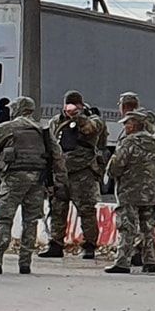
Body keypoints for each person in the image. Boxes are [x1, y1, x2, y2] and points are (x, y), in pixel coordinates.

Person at [0, 97, 60, 275]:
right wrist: (57, 181)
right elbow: (56, 154)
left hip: (13, 178)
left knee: (4, 219)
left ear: (17, 109)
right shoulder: (42, 129)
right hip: (37, 180)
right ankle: (25, 262)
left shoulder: (9, 127)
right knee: (31, 221)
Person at [45, 92, 107, 259]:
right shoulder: (56, 122)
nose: (71, 108)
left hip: (82, 172)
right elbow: (51, 145)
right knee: (57, 209)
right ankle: (56, 243)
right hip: (61, 173)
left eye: (75, 105)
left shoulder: (92, 119)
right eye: (69, 105)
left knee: (86, 211)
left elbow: (92, 130)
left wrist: (78, 117)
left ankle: (89, 245)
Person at [107, 110, 155, 275]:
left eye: (127, 123)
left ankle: (123, 261)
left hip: (129, 190)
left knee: (127, 226)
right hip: (149, 190)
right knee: (147, 227)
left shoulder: (129, 142)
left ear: (135, 124)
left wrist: (111, 173)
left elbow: (116, 165)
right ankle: (150, 260)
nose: (125, 126)